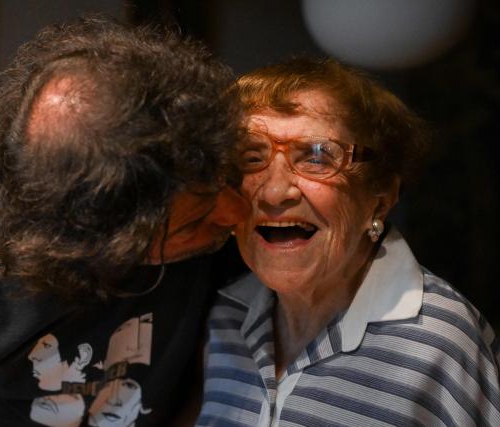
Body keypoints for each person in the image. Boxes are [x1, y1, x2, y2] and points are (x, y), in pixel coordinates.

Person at [0, 17, 250, 426]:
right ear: (94, 240)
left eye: (222, 181)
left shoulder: (216, 175)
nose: (237, 212)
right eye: (194, 223)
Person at [197, 57, 500, 426]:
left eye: (316, 157)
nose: (275, 192)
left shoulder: (437, 341)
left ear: (380, 197)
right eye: (251, 157)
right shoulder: (226, 316)